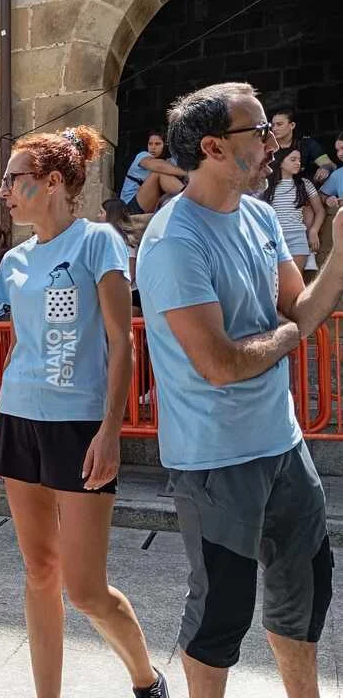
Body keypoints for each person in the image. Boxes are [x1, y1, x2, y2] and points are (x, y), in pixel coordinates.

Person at [137, 82, 342, 698]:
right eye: (259, 131)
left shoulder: (260, 216)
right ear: (213, 148)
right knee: (222, 611)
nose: (274, 141)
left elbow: (301, 310)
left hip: (284, 442)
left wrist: (339, 255)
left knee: (309, 587)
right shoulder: (174, 241)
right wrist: (290, 334)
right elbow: (221, 364)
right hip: (215, 457)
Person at [0, 126, 169, 698]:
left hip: (80, 424)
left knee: (86, 589)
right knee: (39, 573)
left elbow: (122, 341)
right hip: (20, 419)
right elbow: (21, 346)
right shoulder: (14, 260)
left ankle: (147, 679)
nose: (4, 191)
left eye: (13, 179)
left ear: (53, 182)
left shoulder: (97, 242)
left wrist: (111, 430)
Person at [260, 147, 325, 272]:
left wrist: (313, 231)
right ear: (280, 162)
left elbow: (320, 210)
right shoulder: (267, 184)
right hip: (272, 238)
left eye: (299, 160)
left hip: (297, 238)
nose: (298, 163)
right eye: (293, 160)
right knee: (273, 280)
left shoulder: (304, 183)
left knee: (295, 280)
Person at [119, 129, 186, 214]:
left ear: (165, 145)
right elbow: (159, 166)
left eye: (157, 144)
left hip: (150, 204)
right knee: (158, 173)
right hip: (130, 207)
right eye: (150, 144)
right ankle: (188, 197)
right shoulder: (142, 156)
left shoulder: (169, 162)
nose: (153, 147)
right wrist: (187, 172)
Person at [99, 198, 143, 313]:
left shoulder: (127, 240)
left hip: (129, 294)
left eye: (101, 212)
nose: (98, 216)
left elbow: (131, 270)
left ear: (111, 215)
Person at [270, 107, 335, 184]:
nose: (274, 129)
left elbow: (330, 165)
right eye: (273, 125)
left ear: (292, 125)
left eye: (279, 124)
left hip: (302, 187)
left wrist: (325, 168)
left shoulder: (306, 143)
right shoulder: (267, 146)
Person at [318, 131, 343, 211]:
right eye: (337, 150)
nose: (340, 154)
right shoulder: (337, 174)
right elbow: (320, 195)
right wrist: (327, 200)